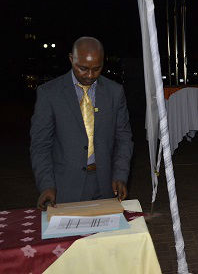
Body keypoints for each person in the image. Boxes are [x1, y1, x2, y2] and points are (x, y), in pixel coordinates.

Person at [30, 37, 133, 209]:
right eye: (83, 68)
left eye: (97, 69)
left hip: (106, 184)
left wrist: (120, 175)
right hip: (64, 187)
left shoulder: (114, 92)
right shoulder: (49, 94)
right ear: (71, 59)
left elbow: (123, 138)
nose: (90, 75)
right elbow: (40, 145)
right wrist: (46, 185)